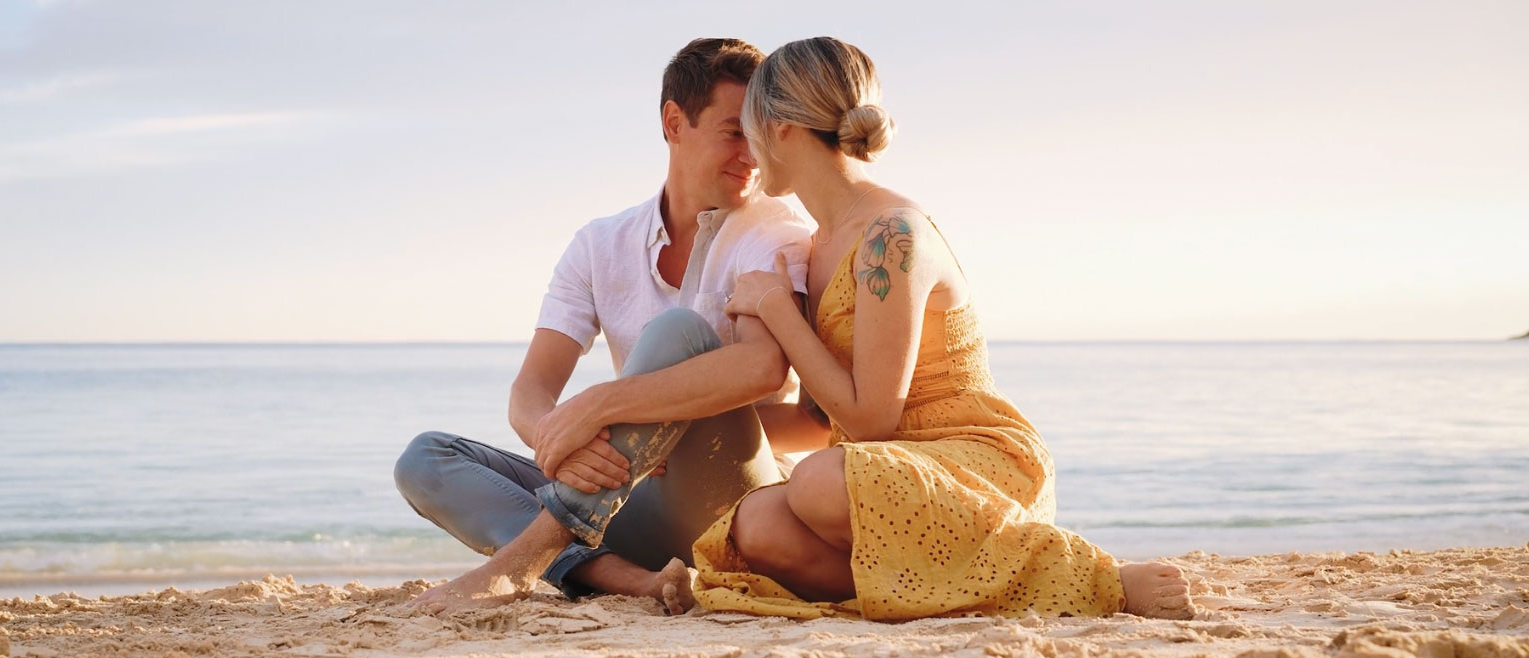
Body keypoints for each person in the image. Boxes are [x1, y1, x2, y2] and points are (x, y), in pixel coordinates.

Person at [688, 36, 1200, 621]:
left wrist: (779, 311)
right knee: (757, 524)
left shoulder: (892, 234)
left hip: (972, 466)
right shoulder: (816, 247)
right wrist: (682, 432)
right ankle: (949, 591)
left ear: (780, 127)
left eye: (749, 128)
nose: (749, 153)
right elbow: (815, 420)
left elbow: (872, 418)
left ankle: (1100, 578)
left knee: (815, 483)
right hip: (883, 475)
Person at [393, 37, 814, 615]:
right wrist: (565, 442)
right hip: (629, 497)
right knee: (426, 459)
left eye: (763, 136)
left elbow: (767, 372)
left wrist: (620, 411)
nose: (753, 155)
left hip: (735, 502)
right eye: (734, 132)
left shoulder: (777, 234)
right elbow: (531, 393)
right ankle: (631, 581)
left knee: (676, 335)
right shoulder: (600, 244)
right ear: (674, 122)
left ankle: (526, 559)